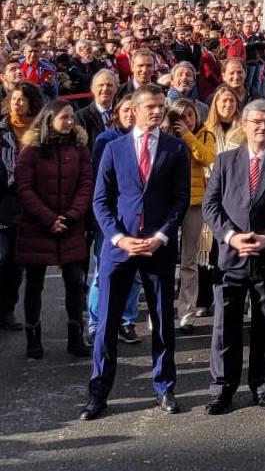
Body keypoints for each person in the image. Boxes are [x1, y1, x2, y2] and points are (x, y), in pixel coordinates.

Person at [83, 85, 191, 420]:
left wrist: (160, 237)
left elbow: (180, 200)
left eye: (161, 106)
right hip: (120, 249)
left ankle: (164, 387)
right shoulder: (113, 148)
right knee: (107, 325)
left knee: (161, 322)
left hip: (157, 247)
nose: (157, 111)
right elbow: (100, 200)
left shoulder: (175, 149)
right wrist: (117, 238)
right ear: (135, 108)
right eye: (151, 106)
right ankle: (98, 393)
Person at [202, 100, 265, 414]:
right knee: (224, 327)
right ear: (244, 126)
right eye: (257, 122)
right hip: (231, 257)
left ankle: (262, 387)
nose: (263, 127)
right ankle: (222, 389)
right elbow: (211, 206)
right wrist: (231, 236)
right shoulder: (225, 161)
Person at [14, 101, 95, 359]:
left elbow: (86, 184)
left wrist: (70, 217)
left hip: (70, 226)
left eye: (72, 117)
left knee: (74, 281)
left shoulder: (80, 148)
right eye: (64, 117)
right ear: (50, 119)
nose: (70, 122)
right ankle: (33, 337)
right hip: (37, 226)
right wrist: (49, 218)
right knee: (34, 283)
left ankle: (75, 336)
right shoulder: (31, 151)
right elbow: (24, 188)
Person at [87, 96, 144, 347]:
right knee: (104, 272)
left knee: (135, 275)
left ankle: (126, 320)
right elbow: (102, 183)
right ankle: (96, 323)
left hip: (138, 218)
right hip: (110, 218)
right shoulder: (107, 141)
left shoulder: (149, 143)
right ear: (117, 113)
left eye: (135, 110)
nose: (131, 114)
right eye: (126, 110)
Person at [162, 98, 216, 333]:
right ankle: (161, 311)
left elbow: (206, 158)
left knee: (189, 260)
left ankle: (187, 312)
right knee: (163, 260)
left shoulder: (205, 135)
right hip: (169, 204)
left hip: (195, 203)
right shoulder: (164, 137)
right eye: (181, 117)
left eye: (190, 116)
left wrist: (188, 136)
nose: (187, 121)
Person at [0, 82, 43, 331]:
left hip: (29, 204)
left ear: (30, 103)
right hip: (3, 202)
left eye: (22, 100)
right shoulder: (1, 129)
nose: (17, 103)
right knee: (2, 257)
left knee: (17, 262)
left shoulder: (39, 131)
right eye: (14, 99)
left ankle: (7, 310)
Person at [76, 70, 120, 144]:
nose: (105, 88)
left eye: (109, 85)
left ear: (116, 88)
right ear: (93, 88)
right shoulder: (80, 117)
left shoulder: (122, 113)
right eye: (101, 85)